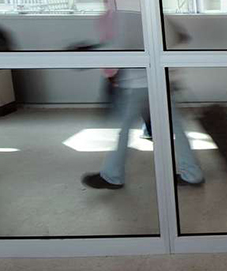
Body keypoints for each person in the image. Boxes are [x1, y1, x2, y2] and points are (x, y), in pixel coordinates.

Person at [82, 10, 203, 189]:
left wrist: (89, 52)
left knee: (126, 129)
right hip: (161, 79)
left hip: (141, 83)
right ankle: (192, 173)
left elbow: (121, 46)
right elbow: (179, 36)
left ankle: (112, 176)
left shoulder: (128, 15)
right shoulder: (154, 10)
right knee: (175, 127)